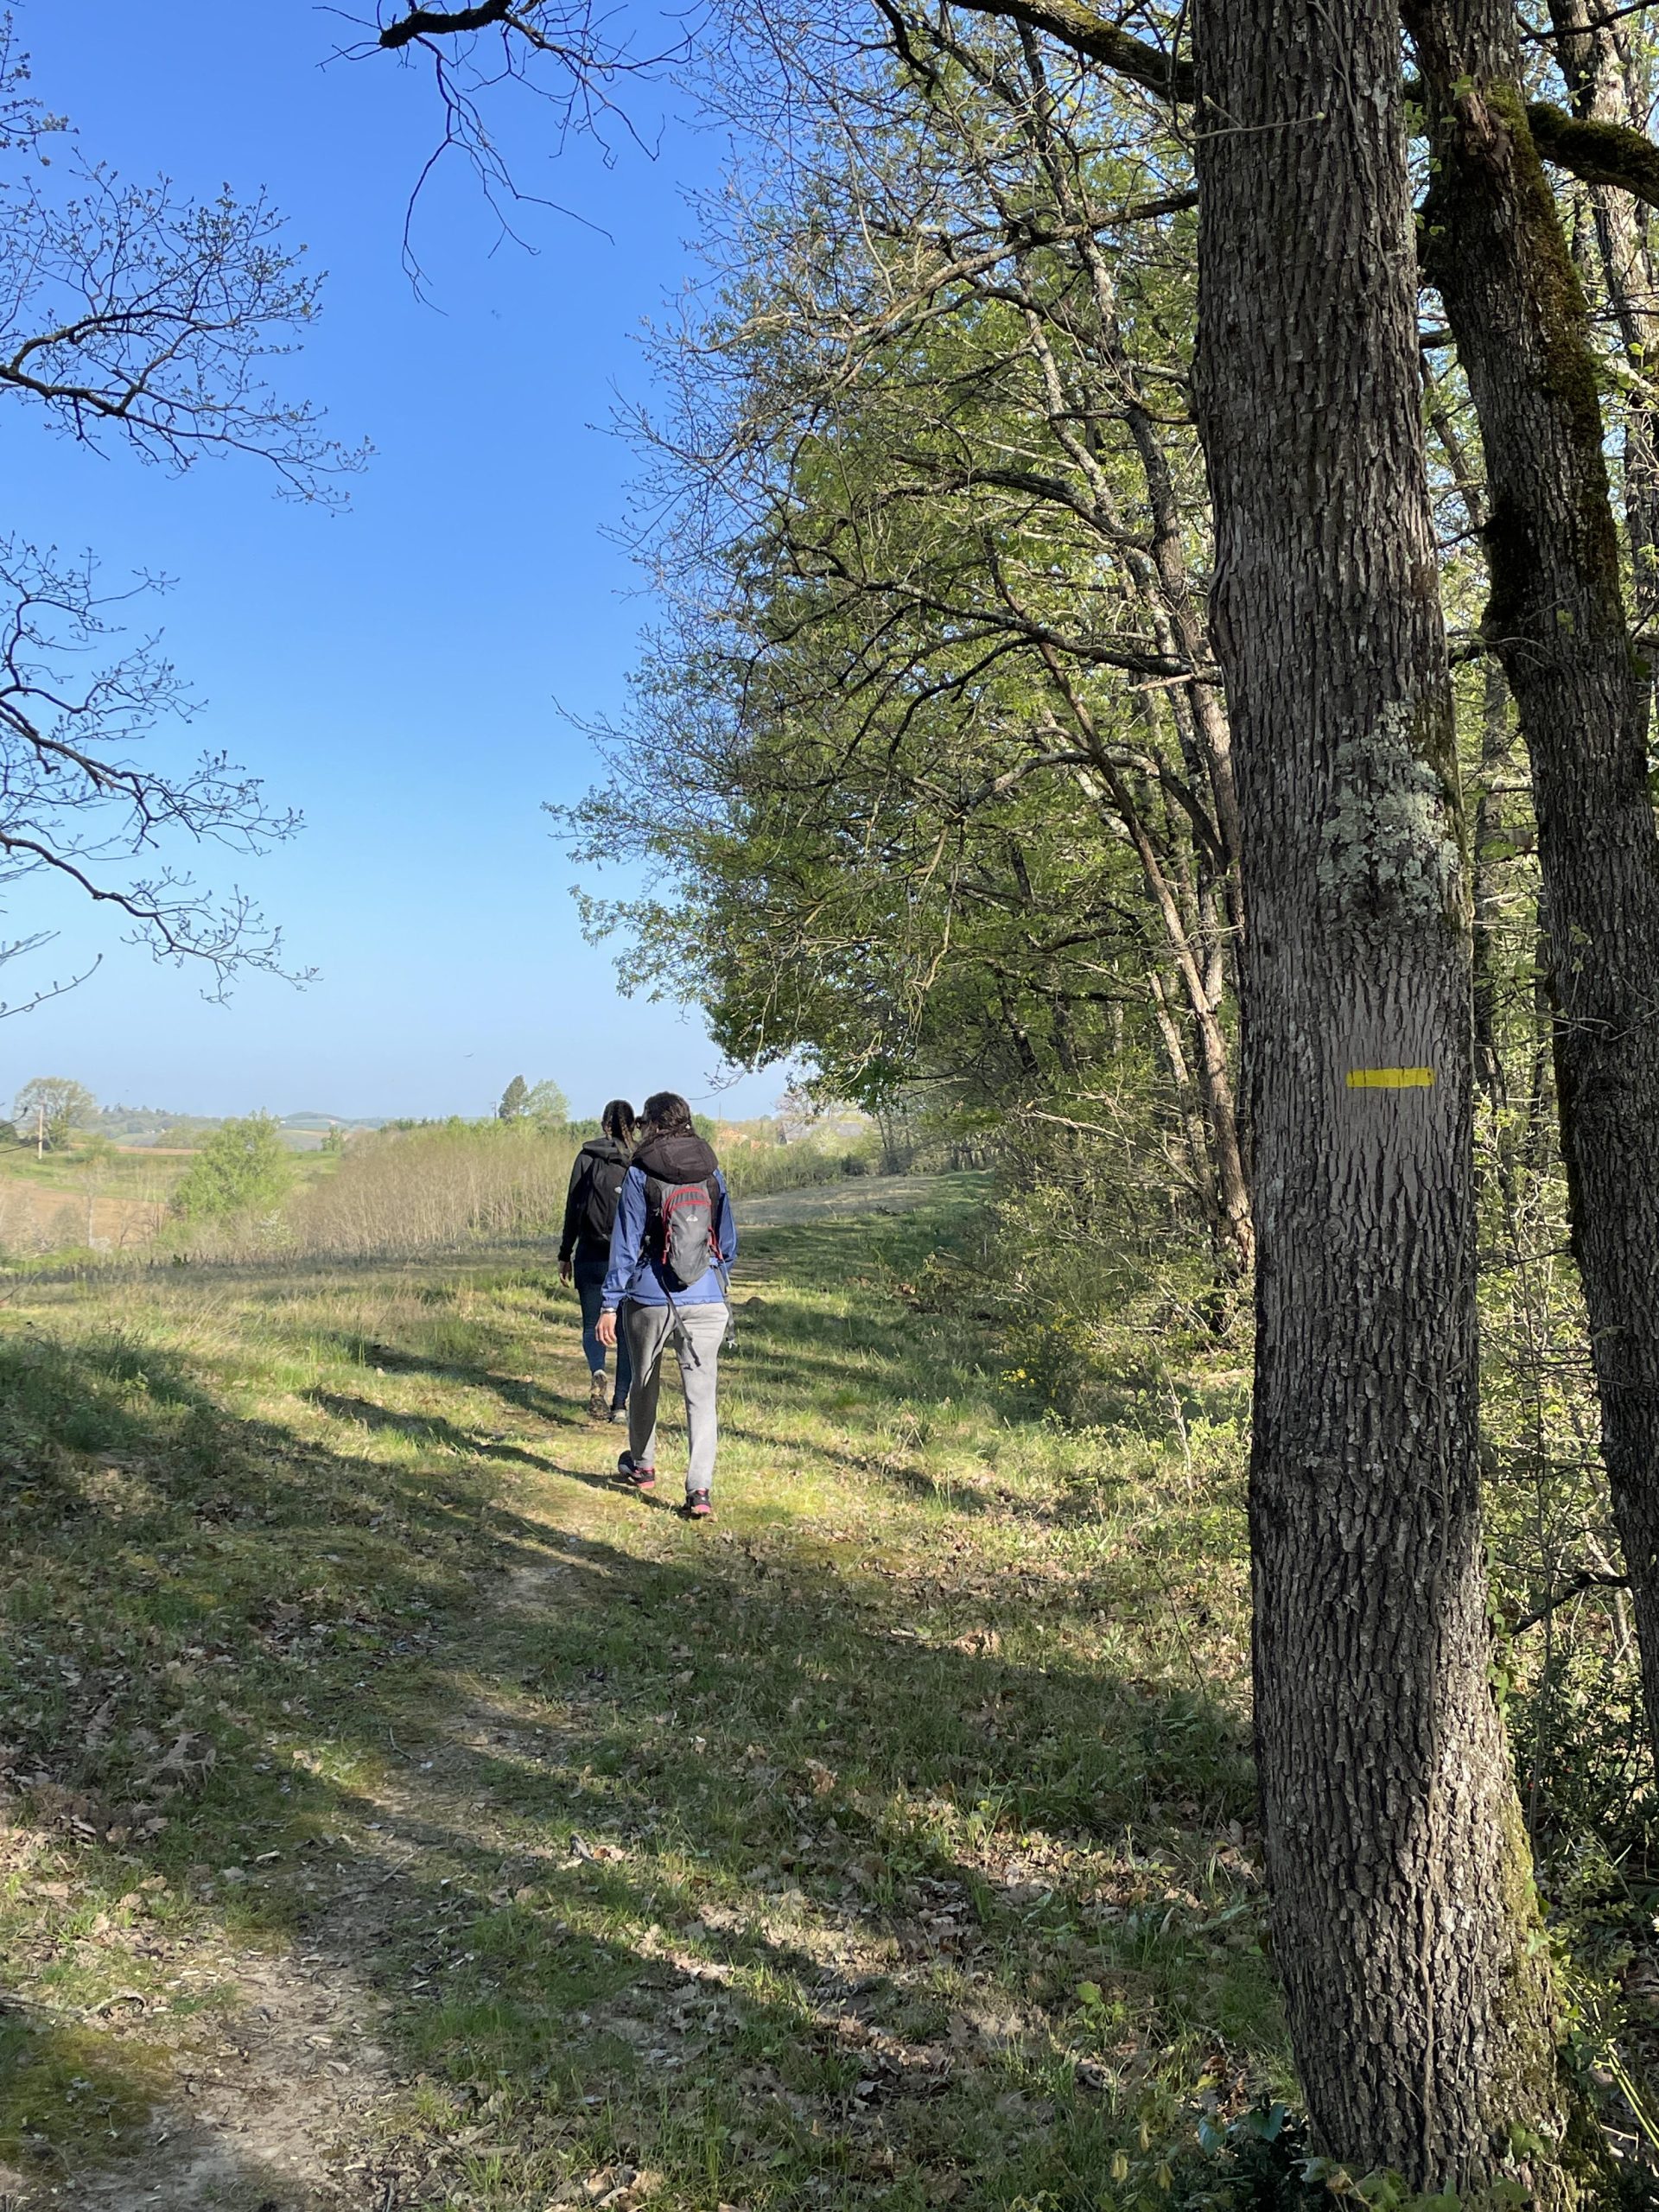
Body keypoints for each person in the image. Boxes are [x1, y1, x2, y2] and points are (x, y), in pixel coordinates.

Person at [597, 1090, 736, 1520]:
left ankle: (643, 1465)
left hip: (650, 1297)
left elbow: (625, 1244)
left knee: (644, 1382)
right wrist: (713, 1278)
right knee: (702, 1396)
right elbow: (727, 1240)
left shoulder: (641, 1172)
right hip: (708, 1298)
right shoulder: (712, 1169)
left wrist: (609, 1303)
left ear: (652, 1123)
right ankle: (700, 1489)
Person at [559, 1099, 637, 1421]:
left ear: (604, 1124)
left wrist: (565, 1253)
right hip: (628, 1259)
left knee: (593, 1323)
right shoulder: (638, 1160)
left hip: (589, 1254)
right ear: (634, 1125)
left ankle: (597, 1371)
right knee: (628, 1333)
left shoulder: (587, 1156)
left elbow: (574, 1207)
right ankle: (620, 1405)